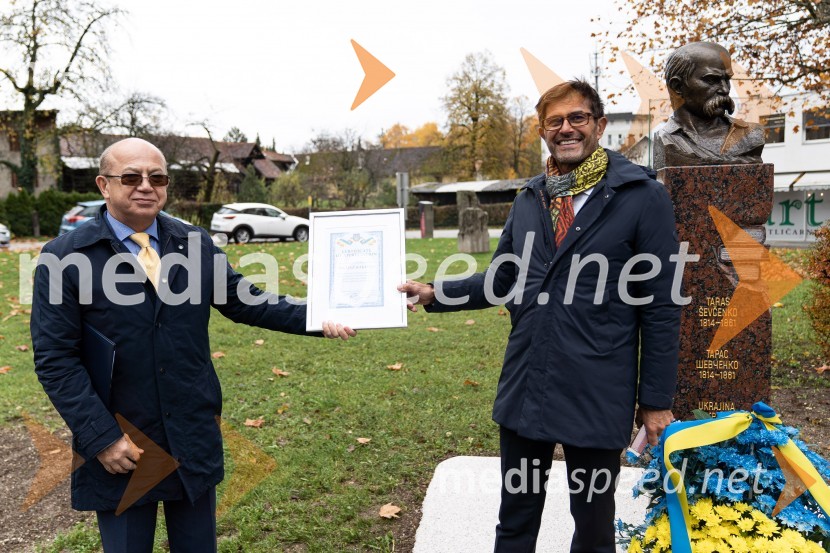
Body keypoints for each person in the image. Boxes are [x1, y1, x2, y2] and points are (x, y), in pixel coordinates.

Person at [30, 137, 356, 553]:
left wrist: (320, 318)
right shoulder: (64, 257)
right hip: (123, 440)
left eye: (157, 177)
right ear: (103, 185)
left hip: (190, 432)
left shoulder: (194, 243)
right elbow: (56, 359)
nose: (146, 185)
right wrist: (102, 438)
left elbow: (247, 302)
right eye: (130, 177)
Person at [399, 80, 682, 552]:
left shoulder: (640, 196)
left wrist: (654, 401)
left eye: (577, 118)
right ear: (542, 130)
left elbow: (662, 305)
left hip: (597, 386)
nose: (566, 128)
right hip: (528, 380)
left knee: (592, 528)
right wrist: (434, 293)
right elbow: (503, 276)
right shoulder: (531, 197)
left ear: (599, 125)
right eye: (555, 121)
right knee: (515, 519)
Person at [653, 41, 765, 170]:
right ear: (677, 86)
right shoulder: (667, 140)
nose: (725, 89)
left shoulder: (751, 135)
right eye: (712, 80)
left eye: (727, 80)